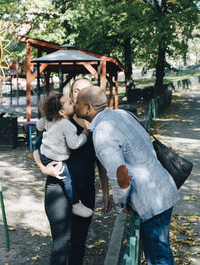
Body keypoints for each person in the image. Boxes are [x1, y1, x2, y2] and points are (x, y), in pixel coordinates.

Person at [74, 85, 180, 265]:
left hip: (150, 200)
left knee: (158, 257)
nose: (74, 106)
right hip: (162, 187)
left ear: (89, 108)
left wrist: (122, 202)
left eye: (78, 103)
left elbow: (119, 175)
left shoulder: (102, 132)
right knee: (162, 252)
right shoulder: (122, 114)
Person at [33, 78, 111, 265]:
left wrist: (106, 192)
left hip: (85, 191)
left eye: (85, 90)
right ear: (71, 96)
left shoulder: (98, 126)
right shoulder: (58, 121)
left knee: (79, 243)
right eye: (76, 91)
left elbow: (101, 162)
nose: (80, 94)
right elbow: (37, 149)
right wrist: (44, 168)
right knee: (60, 244)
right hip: (58, 189)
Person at [36, 91, 93, 218]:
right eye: (70, 103)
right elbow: (74, 144)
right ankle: (76, 204)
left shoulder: (48, 119)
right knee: (68, 180)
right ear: (61, 112)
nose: (73, 104)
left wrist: (45, 120)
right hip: (56, 158)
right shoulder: (68, 125)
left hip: (44, 153)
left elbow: (39, 126)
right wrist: (84, 135)